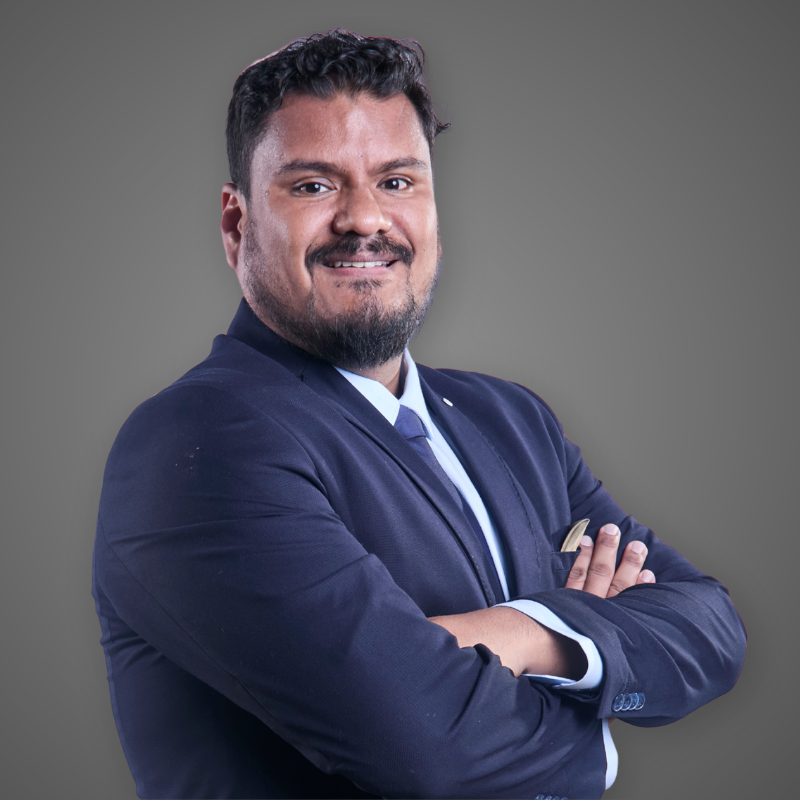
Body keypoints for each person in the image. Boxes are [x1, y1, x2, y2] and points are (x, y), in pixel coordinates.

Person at [92, 30, 746, 800]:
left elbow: (712, 632)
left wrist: (526, 632)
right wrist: (596, 730)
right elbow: (427, 750)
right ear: (238, 226)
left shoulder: (511, 422)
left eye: (397, 181)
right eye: (314, 186)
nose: (365, 219)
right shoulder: (197, 445)